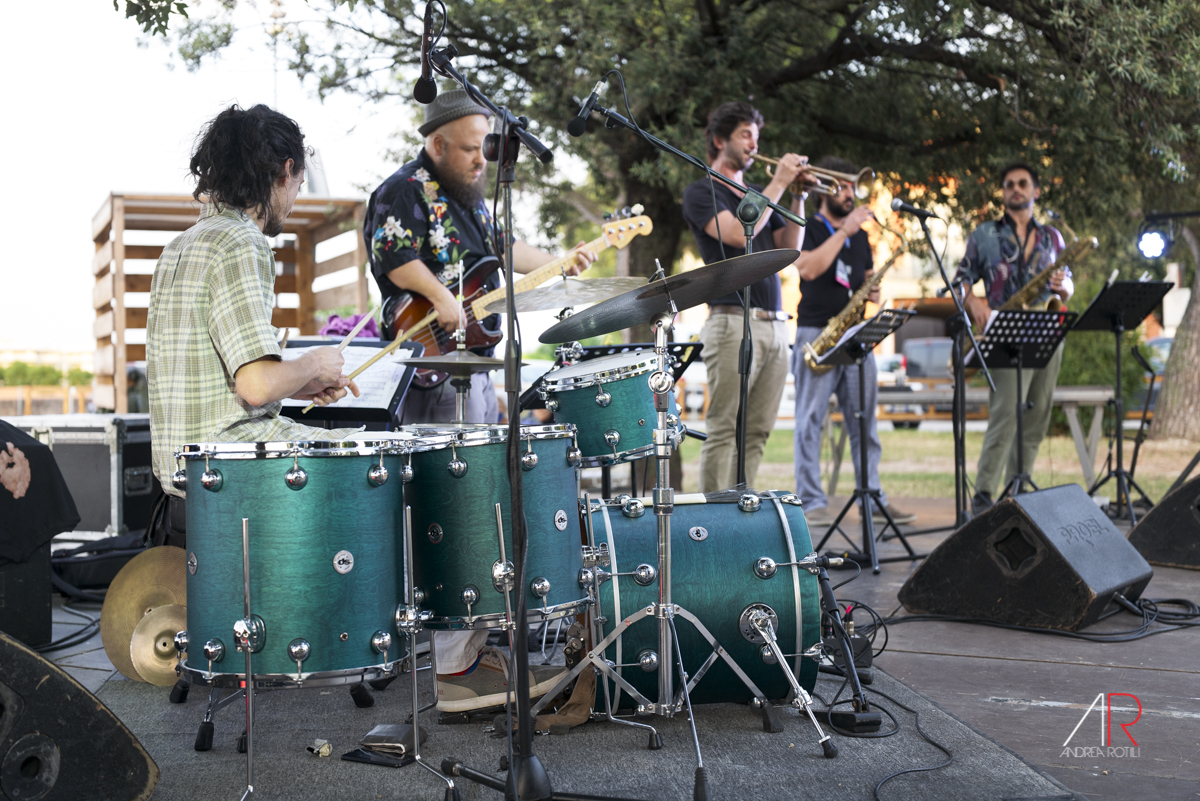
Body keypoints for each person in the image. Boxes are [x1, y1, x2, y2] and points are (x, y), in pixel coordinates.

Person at [364, 88, 595, 713]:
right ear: (437, 145)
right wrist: (438, 294)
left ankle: (462, 652)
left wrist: (562, 260)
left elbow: (504, 254)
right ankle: (451, 663)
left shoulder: (474, 201)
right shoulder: (402, 190)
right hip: (430, 369)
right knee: (450, 508)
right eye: (468, 150)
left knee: (481, 500)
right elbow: (396, 257)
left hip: (476, 369)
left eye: (484, 149)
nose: (479, 161)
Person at [146, 104, 360, 545]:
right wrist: (316, 364)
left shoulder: (179, 248)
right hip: (232, 474)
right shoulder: (242, 241)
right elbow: (257, 386)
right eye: (299, 184)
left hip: (184, 482)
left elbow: (222, 381)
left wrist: (300, 384)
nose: (296, 197)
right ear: (286, 171)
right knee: (371, 459)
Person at [680, 101, 806, 493]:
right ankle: (716, 523)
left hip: (774, 324)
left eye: (757, 135)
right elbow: (737, 233)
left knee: (757, 433)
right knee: (723, 430)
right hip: (732, 320)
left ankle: (743, 513)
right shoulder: (702, 191)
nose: (754, 143)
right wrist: (781, 183)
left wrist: (797, 195)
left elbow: (790, 245)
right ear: (720, 140)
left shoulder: (759, 193)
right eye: (745, 134)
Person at [791, 157, 916, 527]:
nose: (852, 194)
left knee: (865, 422)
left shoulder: (861, 235)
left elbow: (861, 281)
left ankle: (872, 498)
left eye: (854, 187)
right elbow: (809, 268)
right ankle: (811, 501)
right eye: (844, 186)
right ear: (826, 190)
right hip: (816, 332)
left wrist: (871, 289)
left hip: (856, 335)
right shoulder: (809, 227)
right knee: (810, 420)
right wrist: (843, 231)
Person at [955, 161, 1072, 514]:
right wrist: (973, 300)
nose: (1015, 189)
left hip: (1046, 328)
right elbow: (958, 280)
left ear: (1036, 191)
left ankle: (1019, 488)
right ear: (1003, 193)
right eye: (1009, 185)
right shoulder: (984, 235)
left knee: (1037, 412)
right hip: (1002, 328)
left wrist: (1062, 288)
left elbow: (1067, 283)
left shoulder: (1053, 237)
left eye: (1022, 183)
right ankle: (985, 494)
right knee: (1005, 411)